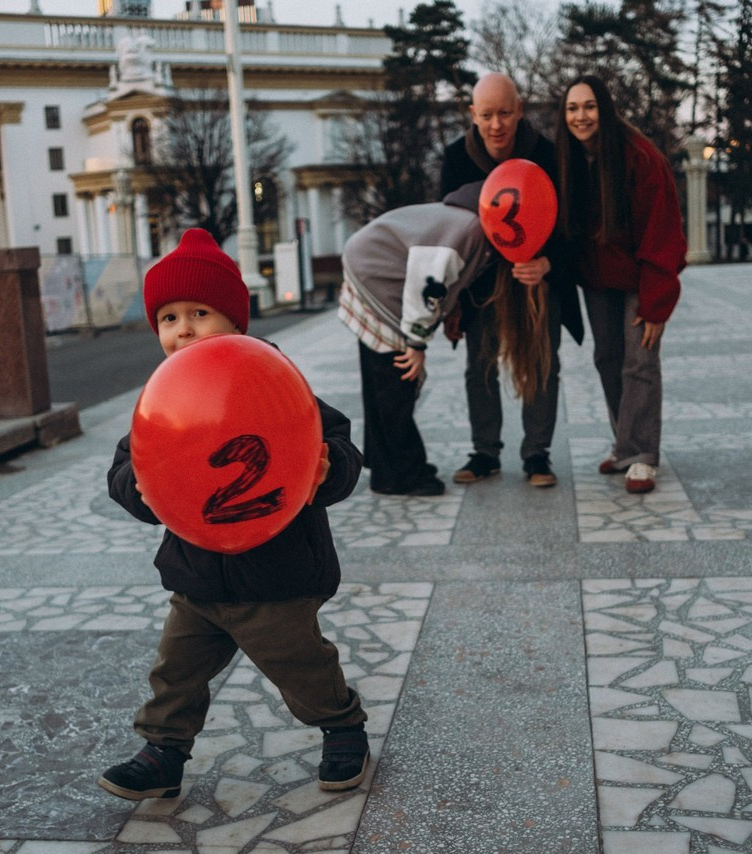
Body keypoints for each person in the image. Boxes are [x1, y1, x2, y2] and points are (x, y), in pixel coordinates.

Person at [98, 228, 370, 801]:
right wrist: (139, 489)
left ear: (236, 322)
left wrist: (327, 469)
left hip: (277, 574)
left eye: (200, 312)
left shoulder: (268, 374)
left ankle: (342, 726)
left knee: (301, 668)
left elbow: (338, 441)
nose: (184, 329)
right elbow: (128, 461)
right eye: (169, 318)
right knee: (175, 672)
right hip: (196, 575)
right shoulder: (165, 394)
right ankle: (163, 752)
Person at [439, 72, 585, 489]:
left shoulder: (549, 154)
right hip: (481, 283)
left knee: (541, 365)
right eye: (487, 115)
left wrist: (548, 264)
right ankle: (485, 452)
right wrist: (452, 299)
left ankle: (537, 454)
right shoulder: (455, 158)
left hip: (536, 281)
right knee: (479, 368)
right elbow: (447, 229)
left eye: (505, 112)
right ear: (473, 115)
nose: (497, 124)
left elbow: (572, 226)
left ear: (520, 110)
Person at [554, 76, 686, 494]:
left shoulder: (640, 157)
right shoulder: (569, 158)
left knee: (640, 362)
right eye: (572, 108)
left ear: (605, 109)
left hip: (640, 277)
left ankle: (642, 454)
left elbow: (662, 231)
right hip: (597, 278)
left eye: (589, 106)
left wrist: (656, 302)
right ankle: (625, 443)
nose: (580, 116)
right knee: (608, 358)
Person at [338, 183, 495, 496]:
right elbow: (426, 288)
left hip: (370, 268)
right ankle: (405, 474)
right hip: (380, 281)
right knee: (397, 382)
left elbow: (445, 282)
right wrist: (416, 345)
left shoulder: (460, 221)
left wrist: (451, 311)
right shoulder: (469, 229)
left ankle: (385, 467)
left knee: (380, 383)